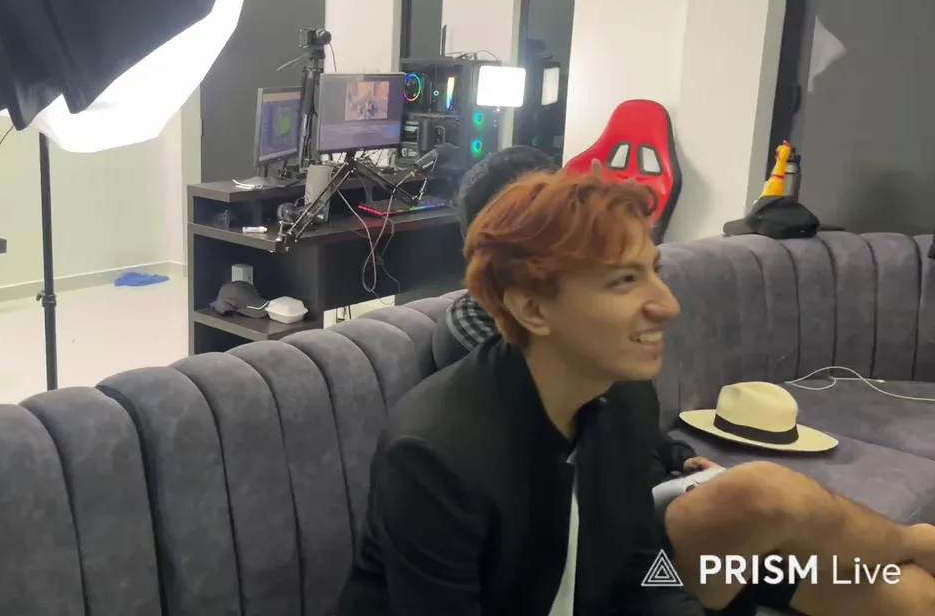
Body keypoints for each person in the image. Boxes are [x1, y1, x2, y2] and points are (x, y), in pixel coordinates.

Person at [433, 149, 935, 615]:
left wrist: (677, 457)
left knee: (908, 593)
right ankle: (915, 540)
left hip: (659, 514)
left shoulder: (621, 386)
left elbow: (617, 425)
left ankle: (903, 550)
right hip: (638, 525)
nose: (667, 305)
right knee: (761, 493)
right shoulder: (478, 364)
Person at [336, 168, 704, 615]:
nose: (668, 304)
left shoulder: (626, 397)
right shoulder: (434, 457)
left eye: (653, 270)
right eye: (624, 280)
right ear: (532, 309)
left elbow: (644, 575)